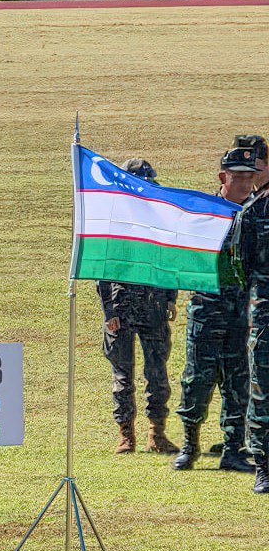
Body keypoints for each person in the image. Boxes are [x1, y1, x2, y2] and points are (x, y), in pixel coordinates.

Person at [174, 148, 258, 473]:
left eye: (249, 177)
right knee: (197, 381)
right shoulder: (205, 214)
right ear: (223, 177)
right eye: (238, 177)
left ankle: (233, 451)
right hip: (207, 309)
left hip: (242, 311)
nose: (245, 184)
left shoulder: (257, 216)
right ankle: (189, 446)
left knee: (239, 384)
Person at [96, 159, 180, 455]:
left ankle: (156, 433)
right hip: (121, 306)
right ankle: (126, 434)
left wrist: (171, 296)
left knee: (157, 371)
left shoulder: (160, 221)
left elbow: (169, 260)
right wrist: (109, 312)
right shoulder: (112, 225)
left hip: (153, 304)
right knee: (123, 373)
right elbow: (101, 270)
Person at [233, 139, 269, 494]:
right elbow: (241, 268)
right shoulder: (254, 211)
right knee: (262, 391)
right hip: (266, 316)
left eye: (259, 166)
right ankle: (264, 465)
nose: (254, 175)